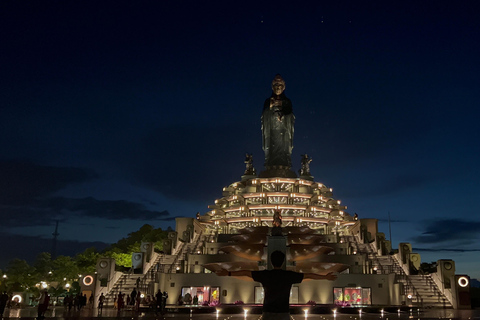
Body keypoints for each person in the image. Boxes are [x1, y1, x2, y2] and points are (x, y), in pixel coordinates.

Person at [216, 250, 336, 320]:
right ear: (283, 261)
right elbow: (309, 275)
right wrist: (325, 276)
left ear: (271, 261)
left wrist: (228, 273)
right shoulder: (288, 275)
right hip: (283, 313)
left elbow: (246, 272)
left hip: (268, 313)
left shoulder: (265, 275)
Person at [261, 75, 295, 168]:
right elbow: (264, 117)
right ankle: (270, 165)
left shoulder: (287, 101)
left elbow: (291, 116)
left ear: (284, 87)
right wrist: (270, 108)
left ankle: (285, 165)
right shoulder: (268, 101)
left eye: (280, 85)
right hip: (271, 131)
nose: (278, 87)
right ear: (272, 87)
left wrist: (283, 114)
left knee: (284, 148)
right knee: (271, 147)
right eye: (276, 85)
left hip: (284, 131)